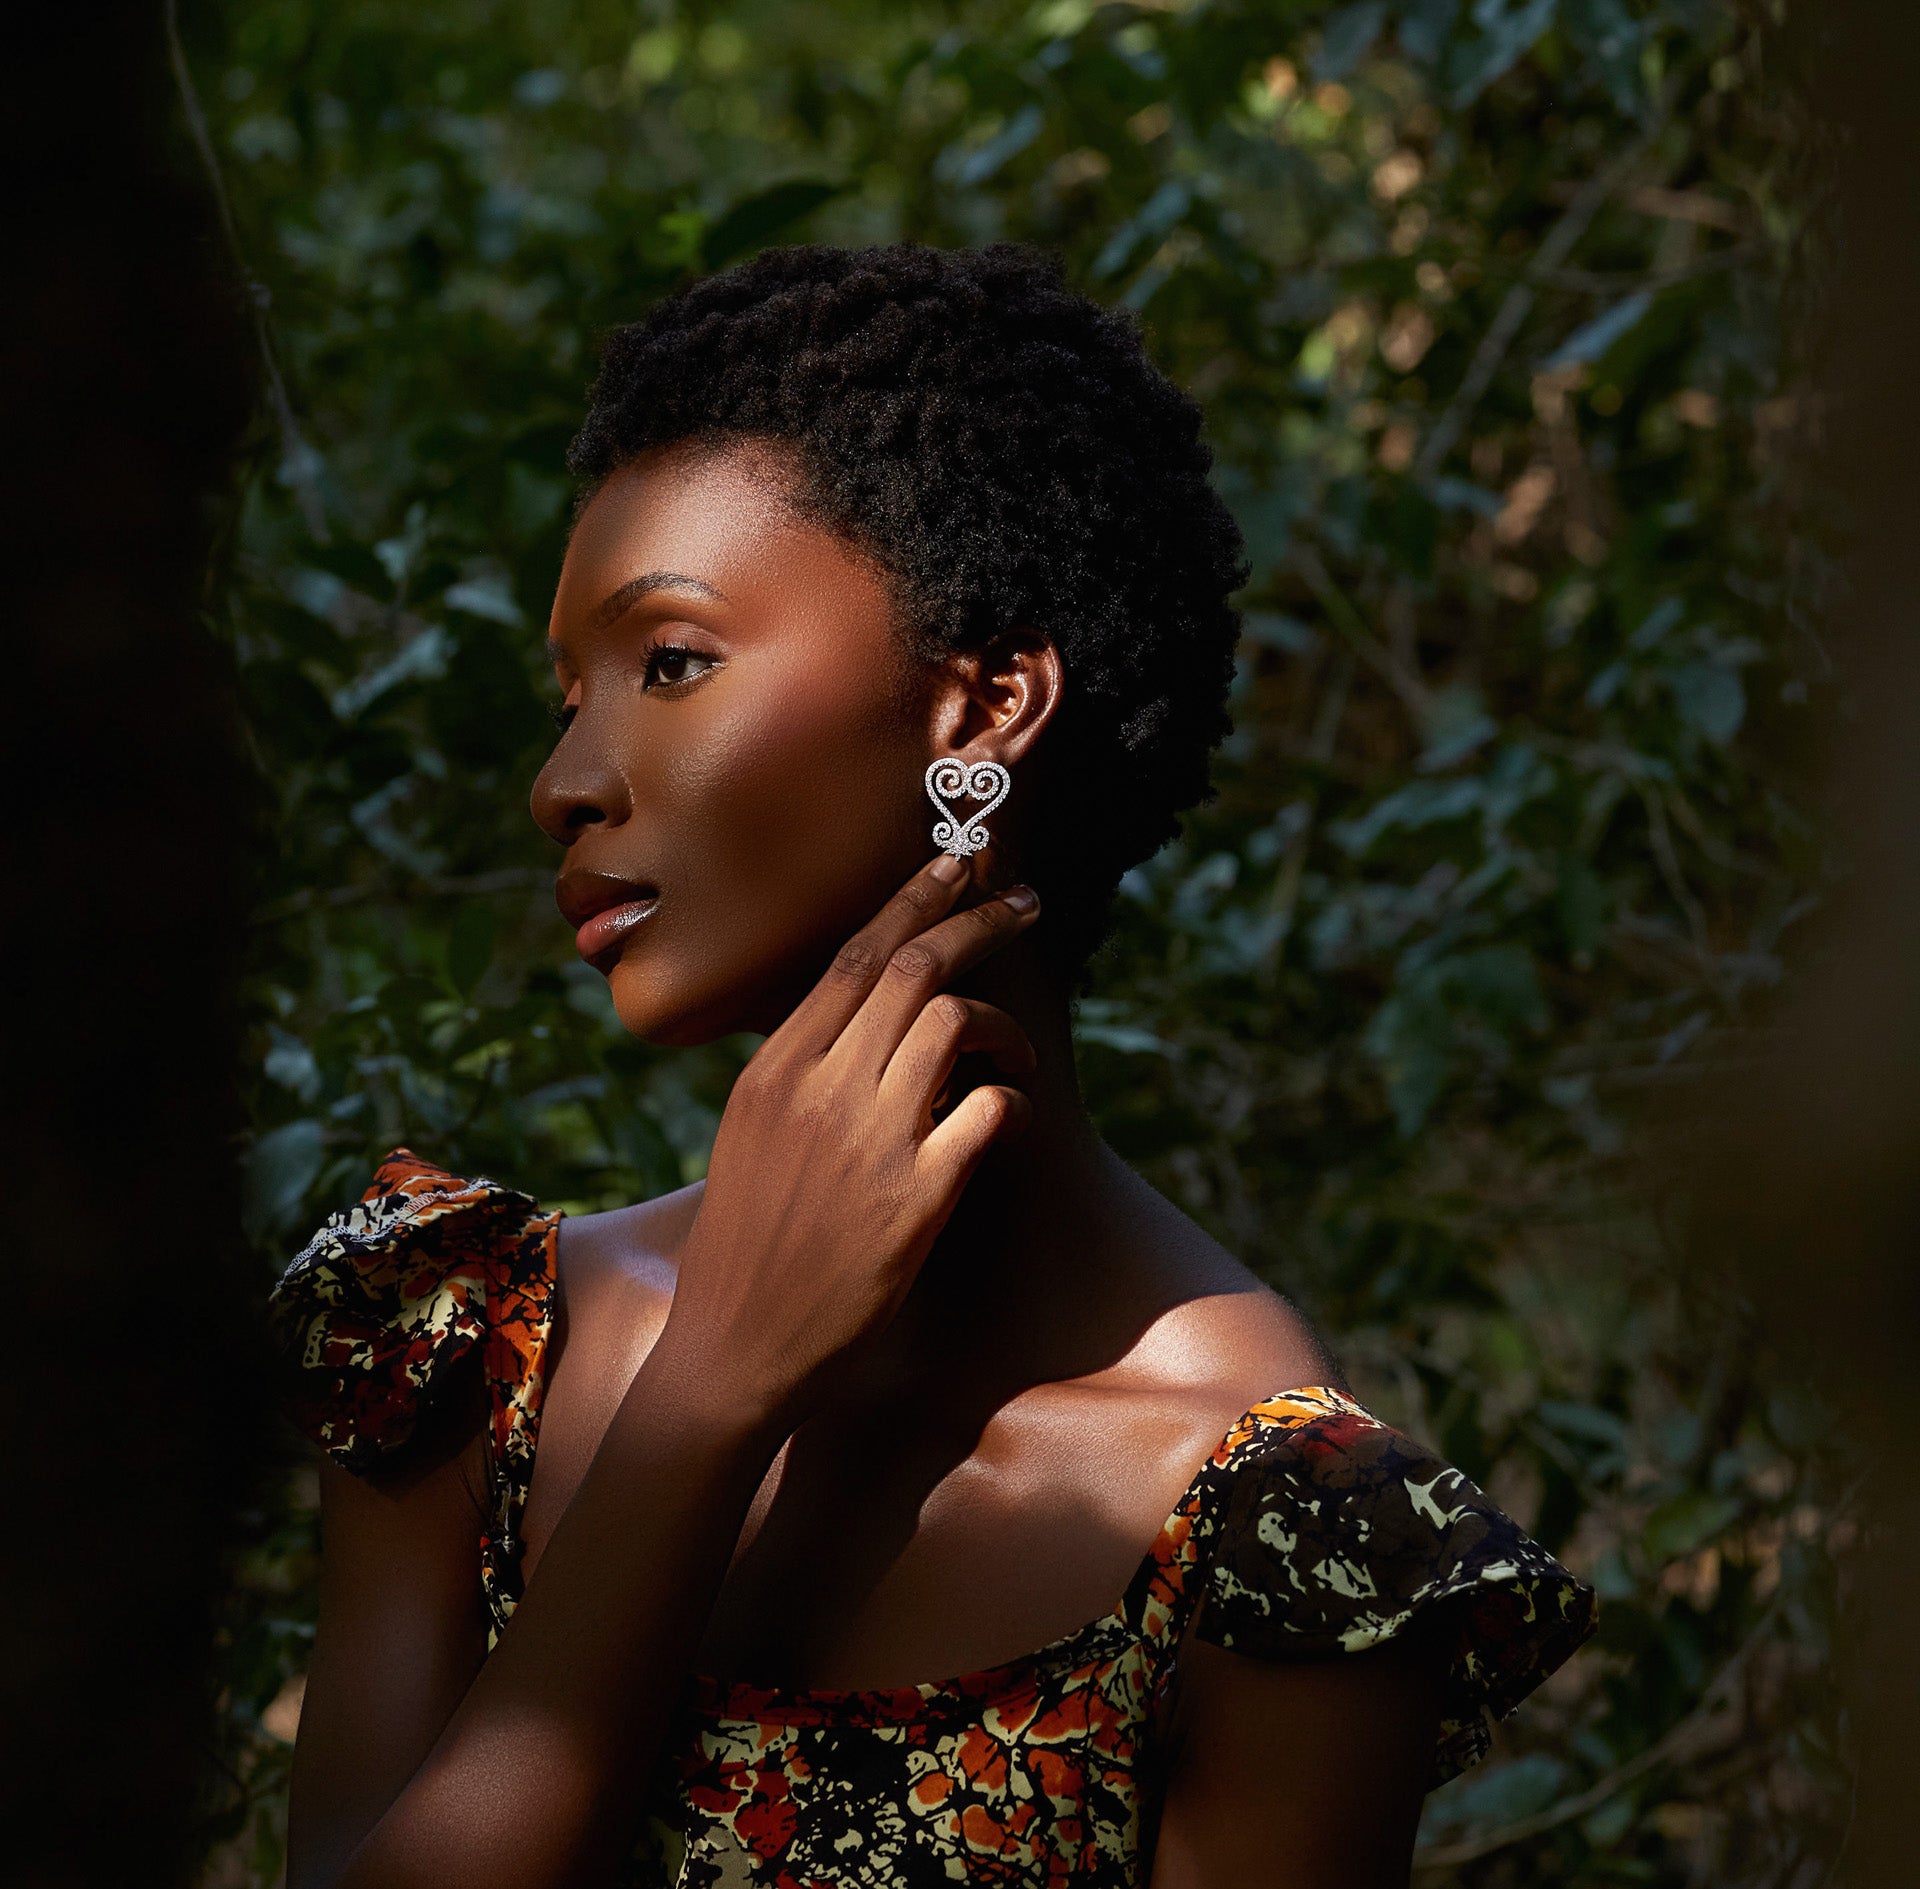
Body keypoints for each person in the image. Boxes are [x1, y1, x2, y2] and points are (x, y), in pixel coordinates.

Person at [270, 243, 1595, 1889]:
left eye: (670, 661)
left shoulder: (1275, 1535)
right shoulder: (464, 1351)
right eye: (570, 695)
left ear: (985, 706)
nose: (564, 781)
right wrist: (710, 1395)